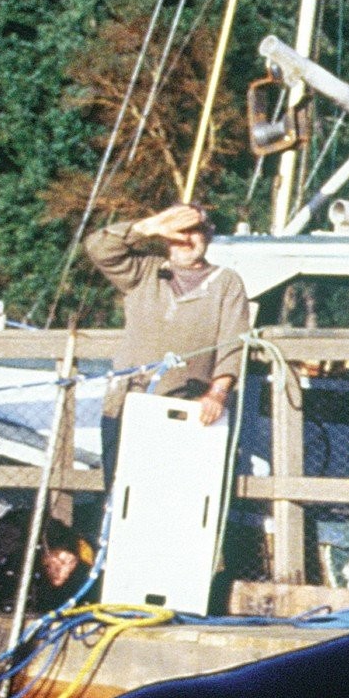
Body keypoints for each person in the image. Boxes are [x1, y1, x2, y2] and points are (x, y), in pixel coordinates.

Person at [83, 202, 250, 489]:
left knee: (174, 498)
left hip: (189, 412)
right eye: (177, 231)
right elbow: (97, 247)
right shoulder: (143, 271)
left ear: (208, 235)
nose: (185, 239)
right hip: (127, 406)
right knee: (121, 494)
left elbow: (233, 344)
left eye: (194, 231)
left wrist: (217, 394)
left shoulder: (227, 282)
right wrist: (149, 226)